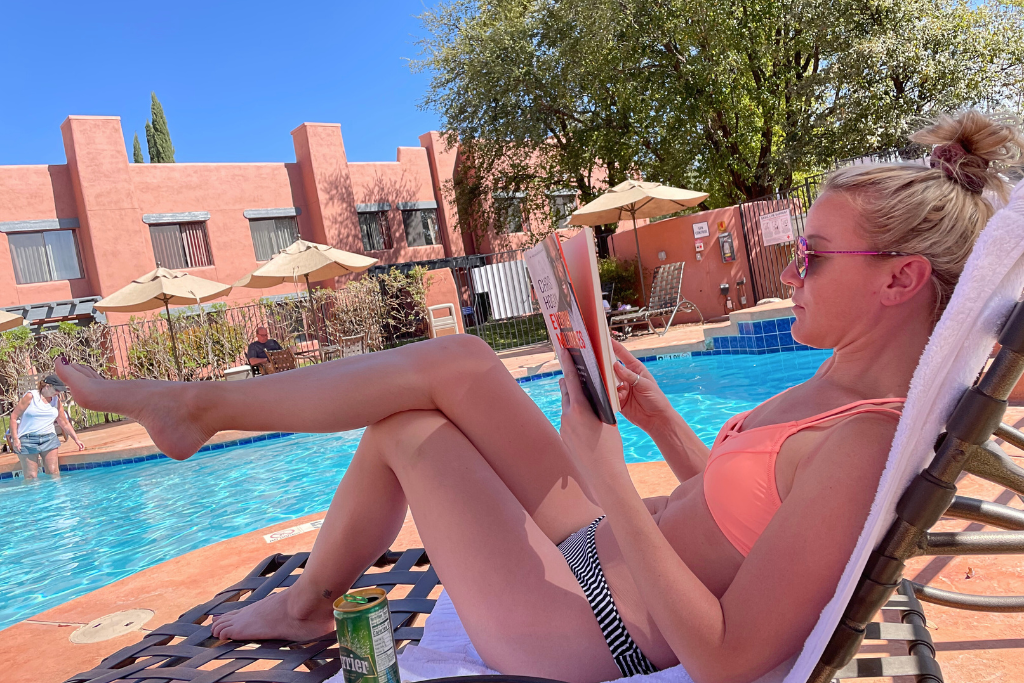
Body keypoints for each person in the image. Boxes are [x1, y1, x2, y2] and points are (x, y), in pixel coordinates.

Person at [54, 111, 1022, 683]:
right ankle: (199, 414)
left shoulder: (860, 440)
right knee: (465, 360)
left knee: (408, 430)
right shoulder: (836, 381)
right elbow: (746, 512)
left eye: (811, 255)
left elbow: (728, 658)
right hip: (605, 545)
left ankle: (278, 548)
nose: (788, 266)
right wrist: (647, 418)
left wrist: (601, 468)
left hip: (588, 617)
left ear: (898, 281)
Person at [10, 374, 86, 480]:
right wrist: (15, 439)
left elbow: (63, 422)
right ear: (47, 386)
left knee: (54, 473)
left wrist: (76, 439)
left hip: (49, 438)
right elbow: (14, 417)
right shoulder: (31, 396)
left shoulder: (56, 400)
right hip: (27, 440)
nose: (58, 393)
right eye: (56, 389)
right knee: (31, 477)